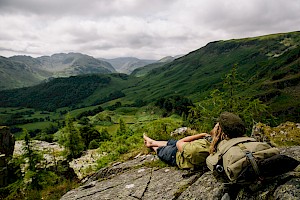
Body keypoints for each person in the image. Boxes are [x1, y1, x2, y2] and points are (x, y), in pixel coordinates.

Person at [143, 131, 211, 169]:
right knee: (171, 142)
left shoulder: (195, 151)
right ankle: (152, 142)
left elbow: (179, 143)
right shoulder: (212, 142)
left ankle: (151, 146)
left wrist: (203, 134)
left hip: (176, 155)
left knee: (160, 150)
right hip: (187, 147)